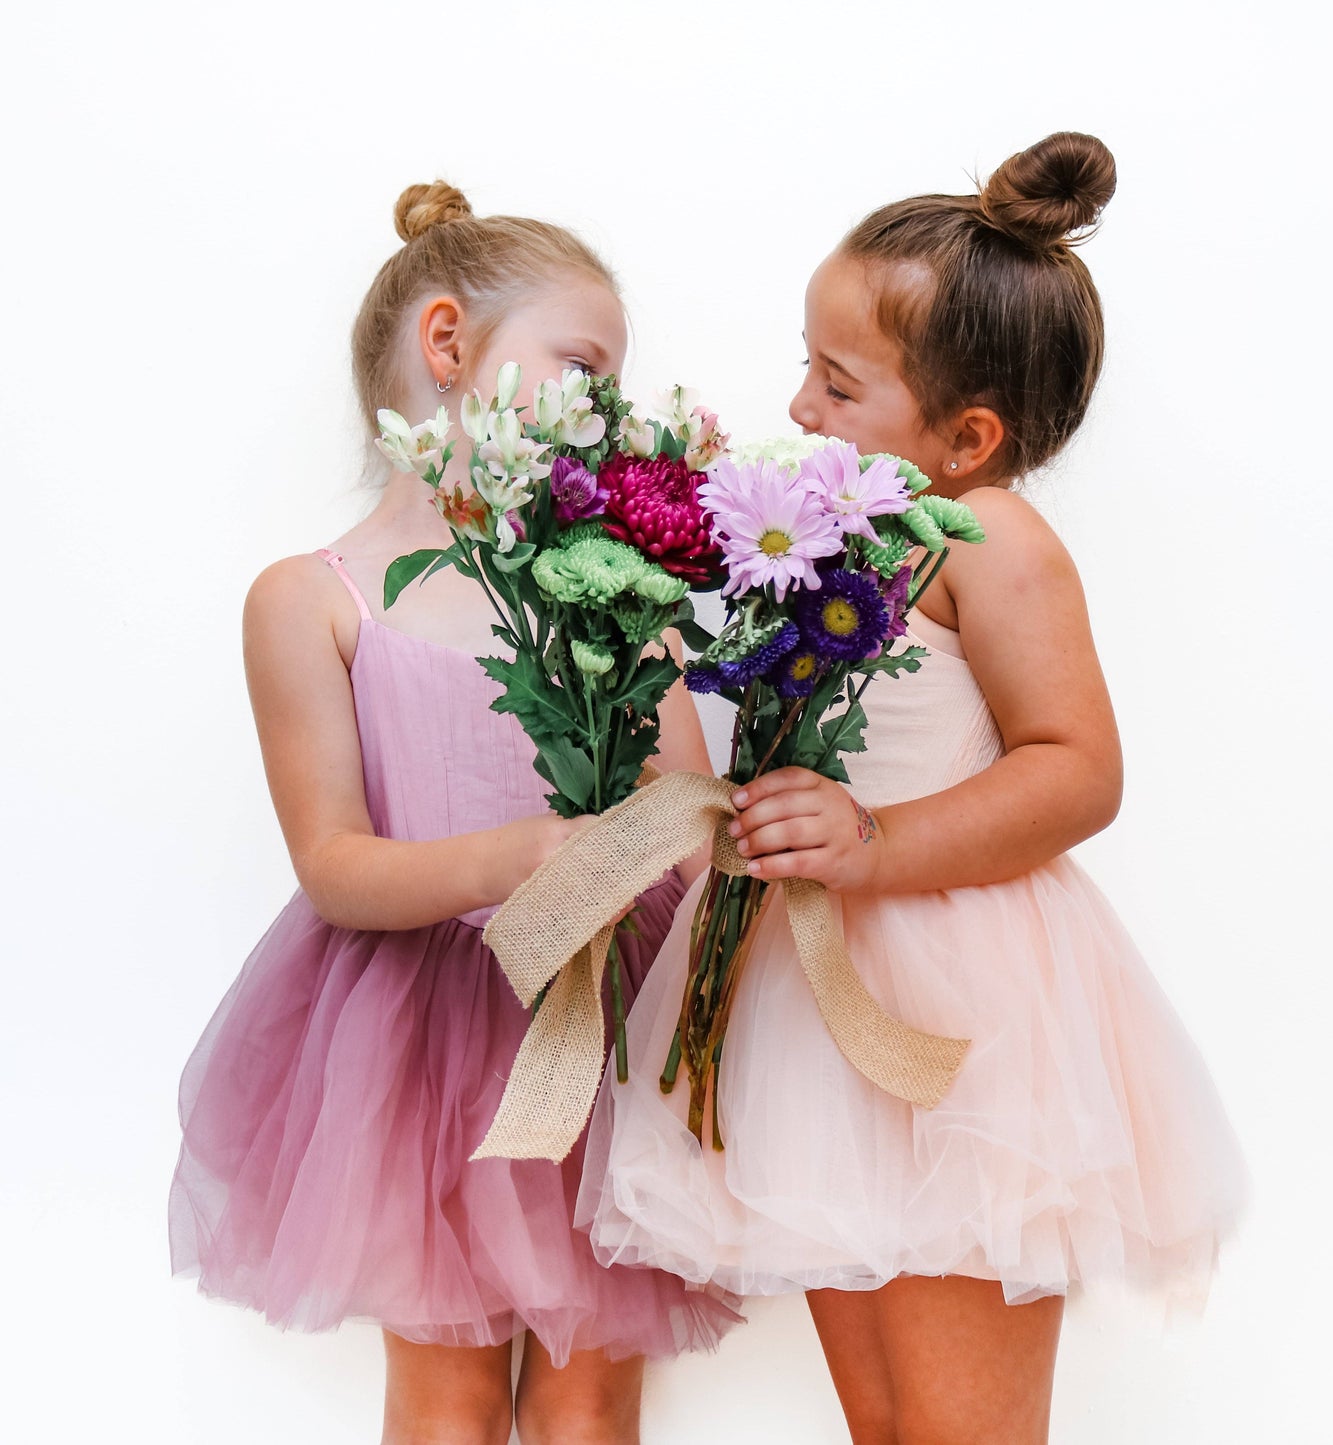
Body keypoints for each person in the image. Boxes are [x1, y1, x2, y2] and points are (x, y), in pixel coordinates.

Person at [580, 134, 1247, 1443]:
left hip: (957, 1012)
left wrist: (874, 837)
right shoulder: (837, 534)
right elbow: (755, 769)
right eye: (807, 371)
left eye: (838, 383)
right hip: (810, 998)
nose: (803, 410)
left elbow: (1078, 769)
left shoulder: (989, 536)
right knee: (888, 1422)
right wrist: (642, 636)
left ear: (966, 437)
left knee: (962, 1428)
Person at [169, 181, 738, 1445]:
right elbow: (334, 865)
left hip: (597, 1025)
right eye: (581, 366)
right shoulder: (313, 600)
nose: (606, 406)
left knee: (591, 1390)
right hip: (420, 1046)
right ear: (447, 345)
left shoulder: (615, 598)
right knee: (447, 1392)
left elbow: (688, 818)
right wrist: (527, 853)